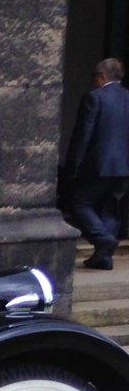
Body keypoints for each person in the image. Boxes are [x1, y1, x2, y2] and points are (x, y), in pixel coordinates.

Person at [64, 58, 129, 270]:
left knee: (79, 203)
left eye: (95, 77)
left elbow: (84, 134)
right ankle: (104, 257)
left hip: (99, 165)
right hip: (124, 167)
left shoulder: (95, 98)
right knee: (110, 207)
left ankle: (103, 240)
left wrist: (73, 165)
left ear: (102, 76)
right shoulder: (127, 97)